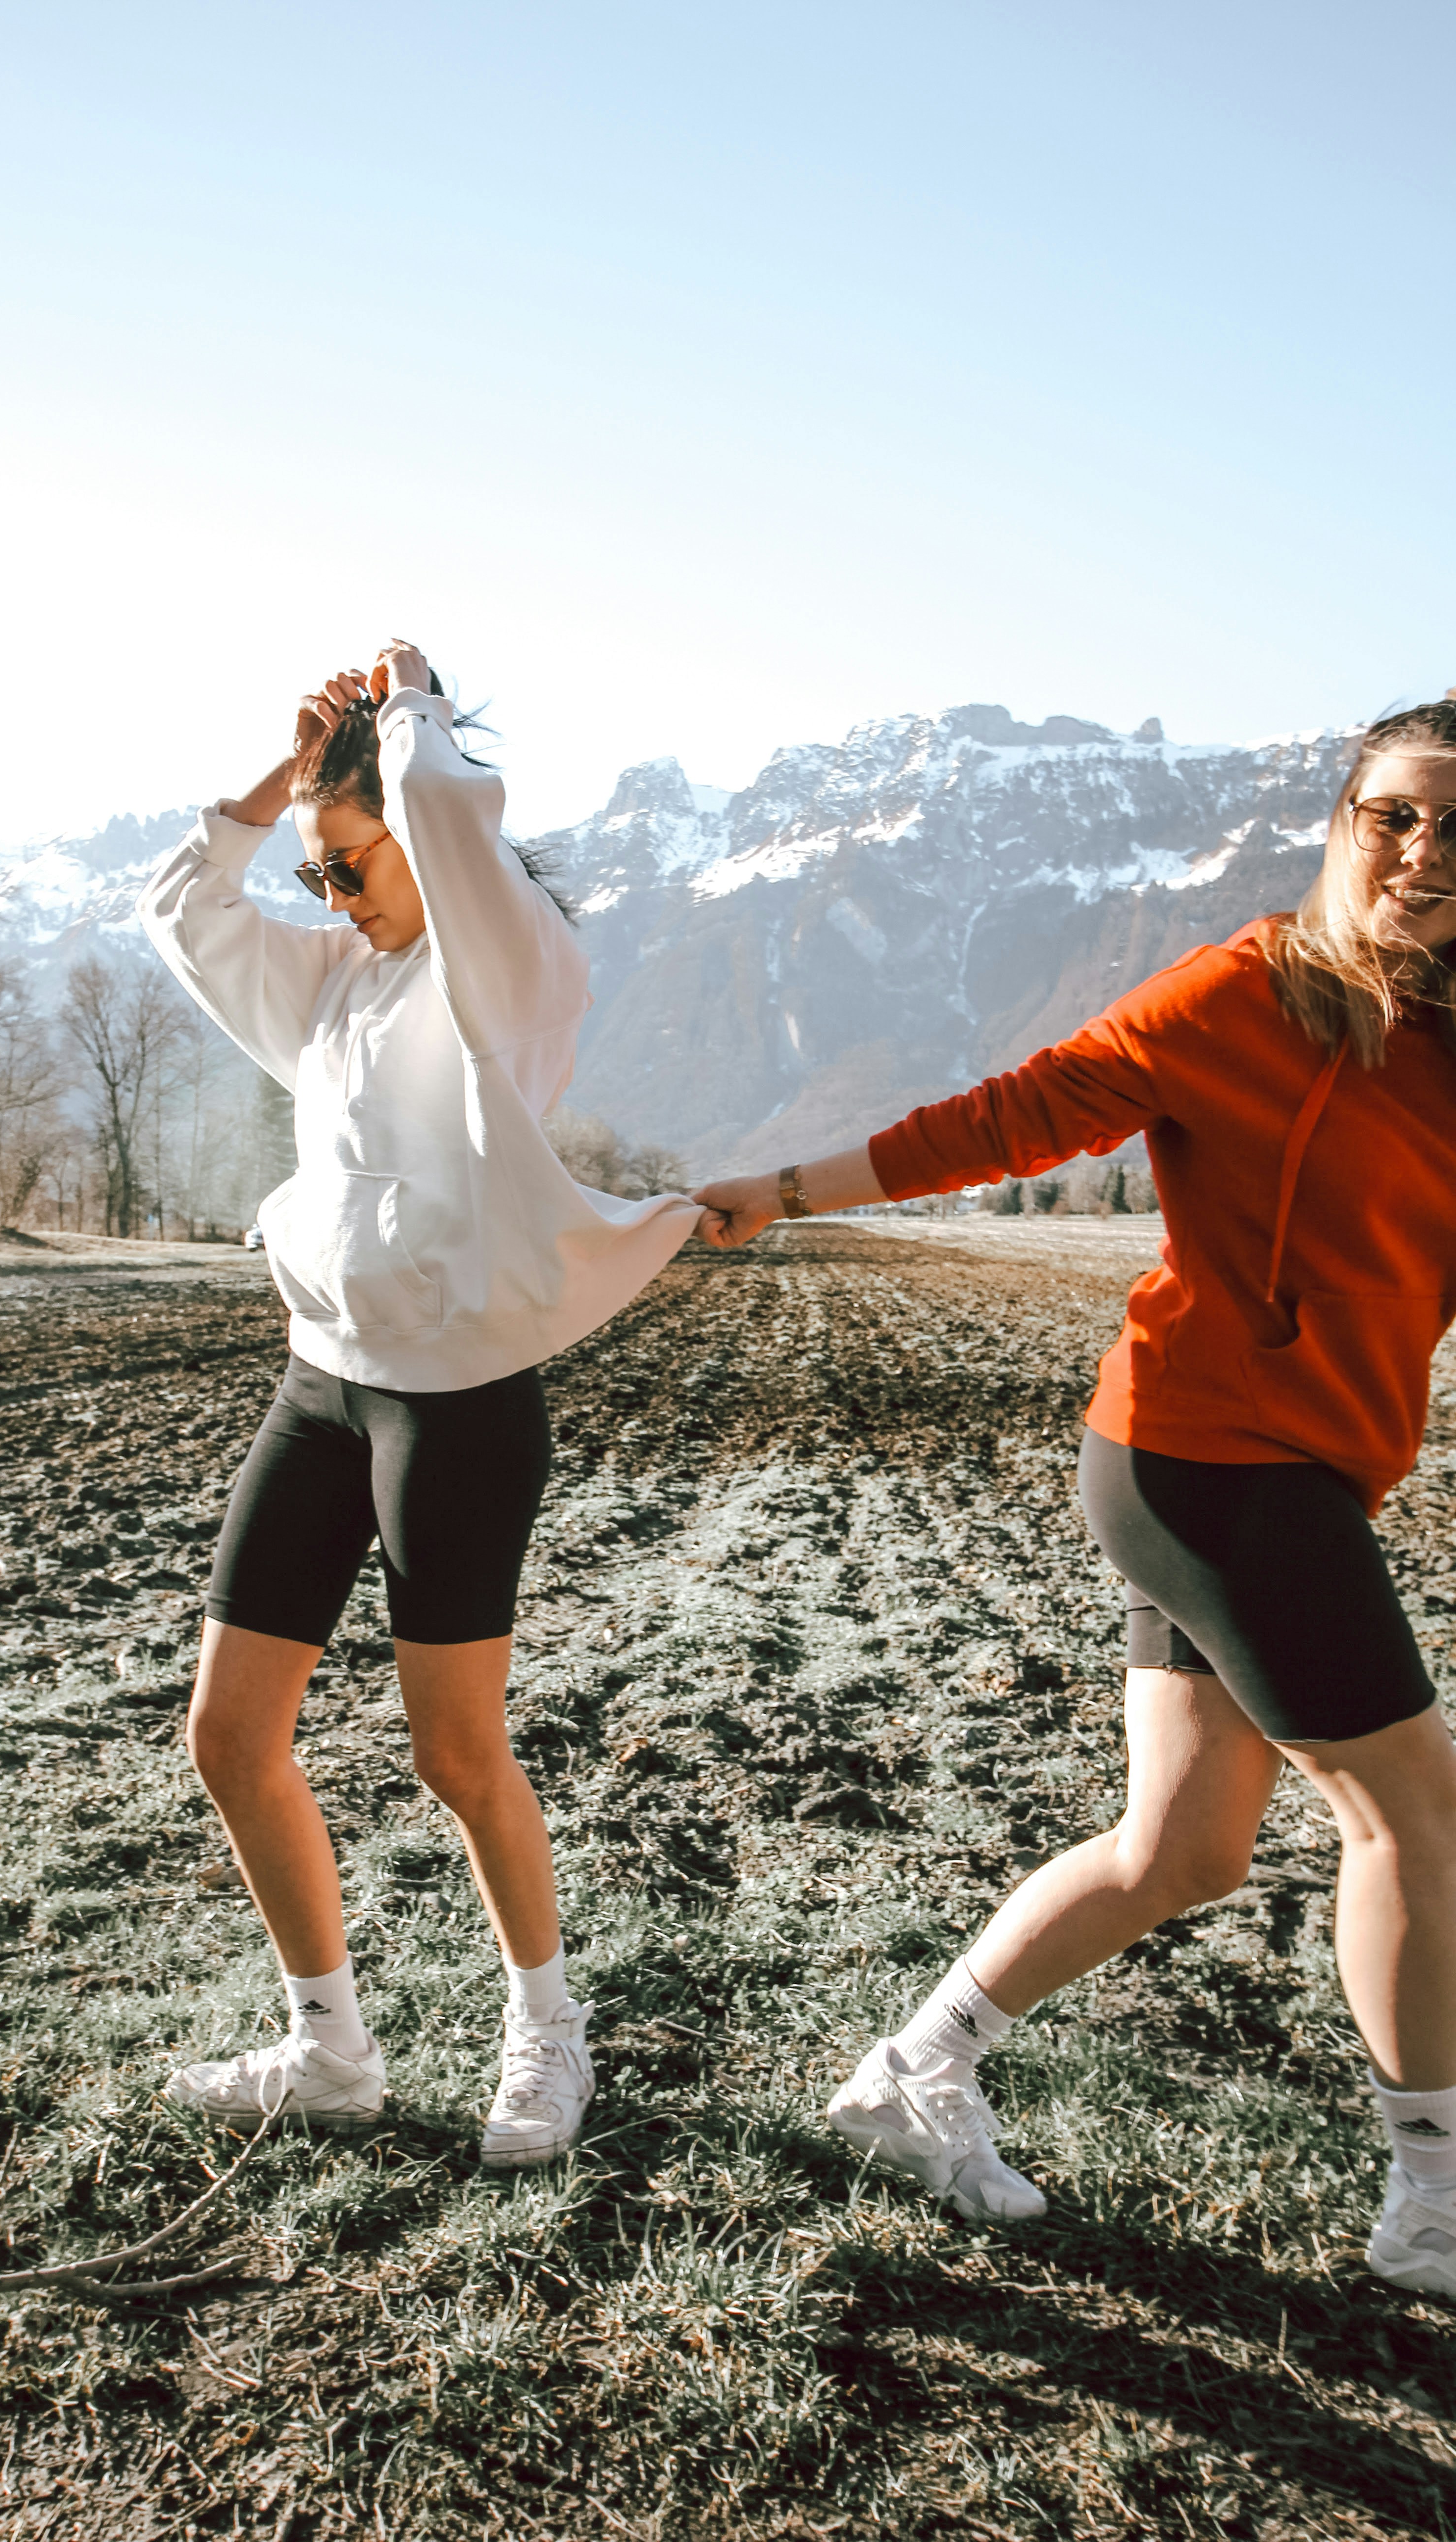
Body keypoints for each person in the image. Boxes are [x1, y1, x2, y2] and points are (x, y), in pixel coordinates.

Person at [694, 697, 1456, 2298]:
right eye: (1395, 813)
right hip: (1206, 1461)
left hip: (1300, 1468)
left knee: (1182, 1853)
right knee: (1415, 1817)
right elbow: (1023, 1110)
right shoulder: (1250, 991)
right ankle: (1436, 2203)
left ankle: (916, 2072)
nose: (1424, 850)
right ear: (1341, 822)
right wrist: (794, 1187)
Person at [139, 640, 698, 2162]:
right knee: (229, 1733)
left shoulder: (504, 972)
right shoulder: (330, 982)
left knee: (456, 1754)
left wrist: (407, 727)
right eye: (316, 877)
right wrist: (294, 770)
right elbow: (183, 909)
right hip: (323, 1389)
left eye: (350, 866)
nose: (331, 899)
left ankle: (550, 2039)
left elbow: (450, 832)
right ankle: (330, 2047)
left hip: (455, 1409)